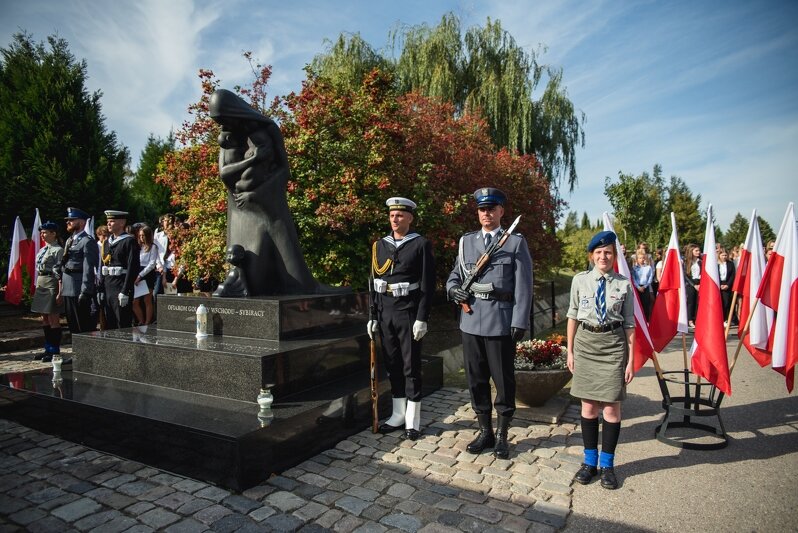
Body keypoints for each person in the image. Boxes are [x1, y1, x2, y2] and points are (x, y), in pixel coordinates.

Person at [445, 187, 533, 459]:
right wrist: (453, 290)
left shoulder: (515, 242)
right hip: (470, 320)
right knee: (476, 379)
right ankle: (485, 432)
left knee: (503, 381)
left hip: (500, 320)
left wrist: (519, 320)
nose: (487, 213)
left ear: (501, 212)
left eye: (492, 209)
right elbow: (455, 275)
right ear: (478, 212)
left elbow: (524, 285)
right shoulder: (466, 242)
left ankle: (503, 435)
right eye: (483, 209)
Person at [567, 230, 635, 490]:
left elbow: (629, 324)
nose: (603, 256)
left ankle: (607, 466)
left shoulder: (623, 284)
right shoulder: (580, 281)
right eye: (598, 252)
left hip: (613, 347)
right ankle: (589, 463)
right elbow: (573, 316)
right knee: (588, 408)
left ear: (614, 256)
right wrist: (570, 351)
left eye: (608, 252)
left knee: (610, 409)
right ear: (591, 256)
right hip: (586, 344)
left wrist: (630, 360)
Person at [367, 197, 435, 441]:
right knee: (393, 363)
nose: (395, 219)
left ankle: (413, 420)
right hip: (385, 311)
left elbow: (427, 284)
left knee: (410, 365)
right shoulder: (379, 246)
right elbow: (373, 283)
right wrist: (372, 315)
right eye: (392, 215)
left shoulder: (420, 244)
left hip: (407, 310)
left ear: (410, 218)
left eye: (400, 215)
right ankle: (397, 414)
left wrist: (422, 317)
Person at [56, 207, 99, 335]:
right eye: (67, 220)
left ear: (81, 222)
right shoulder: (70, 240)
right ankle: (76, 353)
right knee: (73, 325)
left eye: (72, 220)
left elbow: (88, 268)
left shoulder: (87, 241)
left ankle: (85, 354)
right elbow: (67, 261)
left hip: (78, 288)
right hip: (68, 287)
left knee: (82, 326)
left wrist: (85, 291)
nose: (68, 222)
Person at [99, 210, 140, 329]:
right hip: (108, 286)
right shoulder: (107, 242)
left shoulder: (129, 241)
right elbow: (104, 266)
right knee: (110, 321)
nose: (109, 224)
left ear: (122, 223)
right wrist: (101, 289)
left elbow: (133, 267)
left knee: (122, 322)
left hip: (120, 286)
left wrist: (125, 290)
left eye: (112, 221)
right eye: (108, 221)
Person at [30, 221, 64, 362]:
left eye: (45, 232)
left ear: (53, 233)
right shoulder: (43, 249)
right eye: (41, 232)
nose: (42, 235)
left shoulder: (58, 250)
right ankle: (48, 348)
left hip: (52, 283)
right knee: (44, 318)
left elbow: (61, 272)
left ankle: (55, 351)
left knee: (53, 318)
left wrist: (60, 292)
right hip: (42, 282)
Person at [132, 225, 161, 326]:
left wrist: (140, 275)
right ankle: (141, 320)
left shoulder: (153, 247)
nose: (141, 238)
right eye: (140, 236)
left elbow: (152, 264)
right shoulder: (138, 247)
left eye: (143, 235)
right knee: (135, 301)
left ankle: (148, 321)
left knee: (147, 299)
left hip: (147, 274)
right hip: (137, 272)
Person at [683, 243, 701, 328]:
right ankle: (690, 320)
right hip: (690, 283)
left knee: (698, 302)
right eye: (696, 250)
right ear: (691, 251)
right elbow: (686, 275)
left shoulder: (700, 261)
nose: (698, 252)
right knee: (691, 302)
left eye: (699, 250)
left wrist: (700, 283)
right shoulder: (686, 262)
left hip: (700, 282)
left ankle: (697, 319)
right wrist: (694, 285)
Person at [632, 251, 653, 320]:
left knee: (646, 304)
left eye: (643, 258)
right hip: (637, 288)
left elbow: (650, 278)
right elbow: (633, 278)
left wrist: (644, 286)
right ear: (637, 259)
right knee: (638, 305)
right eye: (640, 258)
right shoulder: (634, 268)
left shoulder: (648, 268)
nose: (642, 259)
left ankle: (646, 320)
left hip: (645, 287)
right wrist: (638, 287)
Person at [717, 248, 736, 326]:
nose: (724, 257)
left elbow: (732, 275)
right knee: (719, 302)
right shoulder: (716, 264)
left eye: (725, 255)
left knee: (726, 302)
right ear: (719, 255)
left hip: (727, 284)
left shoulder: (730, 264)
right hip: (718, 284)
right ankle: (719, 319)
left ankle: (725, 319)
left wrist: (728, 284)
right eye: (722, 255)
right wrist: (719, 284)